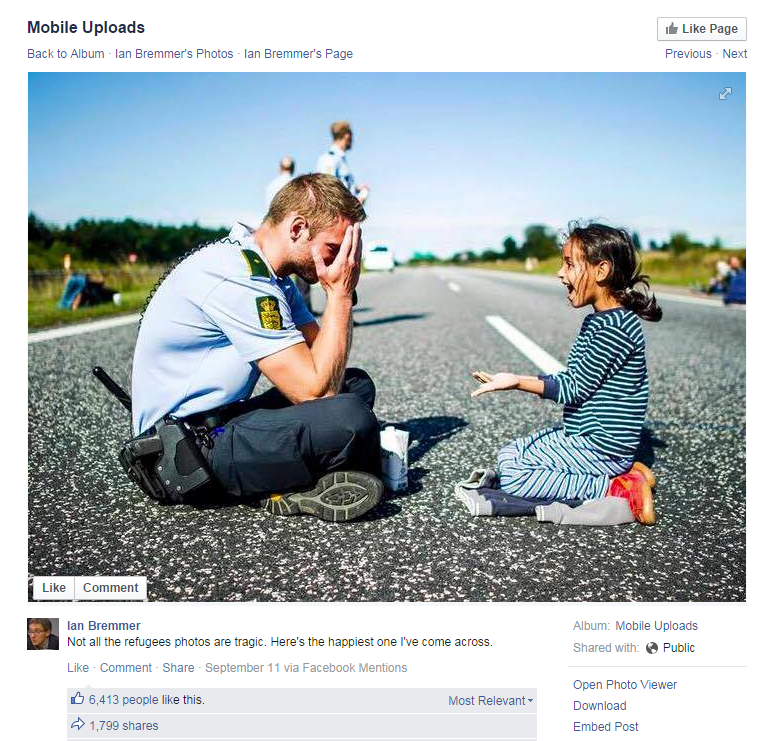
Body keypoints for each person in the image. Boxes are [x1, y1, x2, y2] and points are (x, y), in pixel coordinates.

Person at [130, 174, 383, 521]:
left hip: (219, 420)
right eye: (334, 249)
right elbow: (316, 392)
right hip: (184, 452)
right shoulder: (237, 275)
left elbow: (323, 356)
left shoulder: (270, 274)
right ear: (297, 229)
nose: (342, 261)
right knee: (349, 418)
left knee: (356, 385)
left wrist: (341, 295)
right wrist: (339, 295)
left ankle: (292, 470)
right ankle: (281, 485)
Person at [458, 223, 662, 525]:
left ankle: (615, 487)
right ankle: (623, 471)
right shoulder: (602, 320)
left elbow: (573, 387)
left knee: (514, 477)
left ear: (601, 270)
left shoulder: (615, 329)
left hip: (600, 446)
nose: (560, 273)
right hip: (584, 437)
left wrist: (515, 381)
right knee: (510, 453)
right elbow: (580, 378)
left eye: (569, 264)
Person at [264, 156, 313, 313]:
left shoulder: (270, 186)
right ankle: (303, 308)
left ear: (280, 168)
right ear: (293, 168)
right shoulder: (297, 185)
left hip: (273, 230)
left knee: (273, 272)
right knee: (301, 270)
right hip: (294, 231)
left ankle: (277, 307)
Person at [316, 121, 370, 204]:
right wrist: (358, 202)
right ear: (347, 136)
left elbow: (340, 185)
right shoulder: (330, 159)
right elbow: (327, 191)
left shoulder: (340, 160)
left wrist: (356, 189)